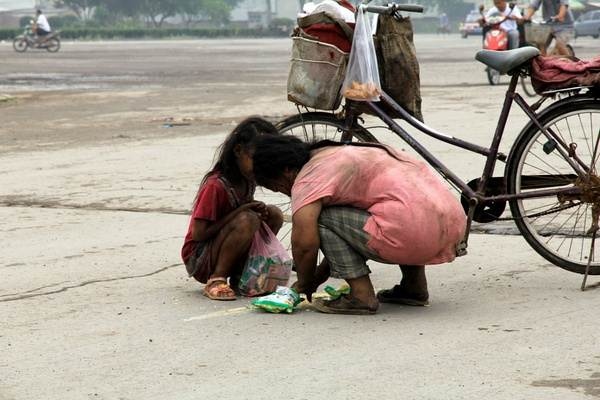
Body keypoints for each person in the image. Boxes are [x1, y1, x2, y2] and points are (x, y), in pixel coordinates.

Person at [252, 136, 467, 315]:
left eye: (277, 187)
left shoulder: (308, 178)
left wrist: (304, 284)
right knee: (392, 209)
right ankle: (414, 288)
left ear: (286, 171)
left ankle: (361, 295)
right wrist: (318, 276)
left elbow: (304, 244)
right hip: (453, 224)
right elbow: (347, 234)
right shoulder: (342, 152)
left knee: (323, 217)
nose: (284, 193)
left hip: (411, 231)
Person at [181, 117, 283, 301]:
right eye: (256, 159)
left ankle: (242, 275)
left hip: (224, 244)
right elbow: (198, 234)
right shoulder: (216, 186)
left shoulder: (248, 179)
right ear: (238, 151)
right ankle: (216, 279)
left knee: (274, 214)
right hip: (200, 258)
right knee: (248, 220)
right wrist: (241, 212)